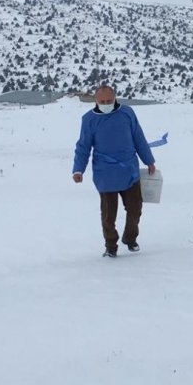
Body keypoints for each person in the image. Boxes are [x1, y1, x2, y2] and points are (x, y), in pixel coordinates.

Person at [72, 85, 157, 257]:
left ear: (115, 98)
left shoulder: (127, 113)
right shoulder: (89, 119)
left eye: (109, 101)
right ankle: (111, 245)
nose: (106, 104)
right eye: (102, 101)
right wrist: (78, 170)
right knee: (108, 215)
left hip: (129, 170)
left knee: (135, 208)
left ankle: (130, 238)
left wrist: (149, 160)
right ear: (96, 101)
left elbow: (138, 137)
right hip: (105, 173)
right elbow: (83, 146)